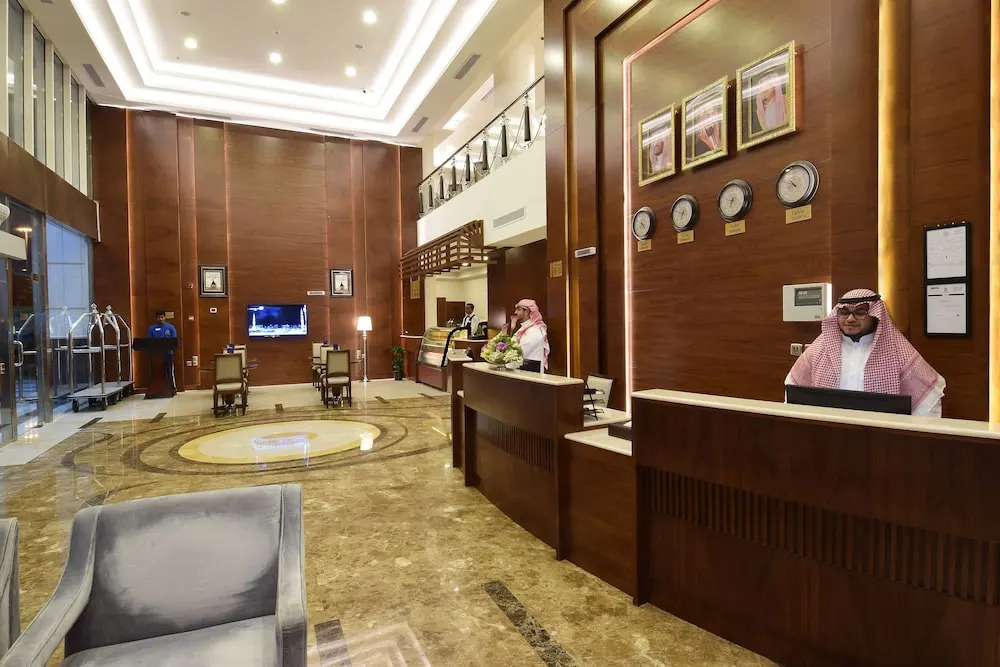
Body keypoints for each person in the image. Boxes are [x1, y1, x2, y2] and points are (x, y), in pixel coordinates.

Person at [786, 289, 946, 416]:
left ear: (875, 316)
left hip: (878, 435)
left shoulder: (897, 350)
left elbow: (928, 397)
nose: (850, 319)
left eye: (860, 313)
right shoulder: (820, 349)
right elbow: (794, 385)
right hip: (830, 430)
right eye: (844, 312)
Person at [506, 299, 549, 372]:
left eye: (518, 309)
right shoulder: (523, 329)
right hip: (521, 370)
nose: (515, 312)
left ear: (527, 312)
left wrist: (504, 361)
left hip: (531, 374)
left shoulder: (535, 330)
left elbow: (520, 352)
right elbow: (510, 345)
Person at [147, 311, 177, 395]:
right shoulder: (151, 328)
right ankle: (156, 390)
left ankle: (172, 389)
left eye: (162, 317)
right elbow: (149, 341)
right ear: (156, 318)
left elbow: (174, 340)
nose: (160, 319)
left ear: (164, 317)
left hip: (168, 354)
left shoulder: (170, 327)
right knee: (156, 372)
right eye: (158, 317)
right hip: (156, 356)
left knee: (169, 372)